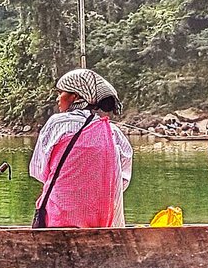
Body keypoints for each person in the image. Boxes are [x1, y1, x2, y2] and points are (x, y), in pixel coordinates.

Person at [28, 68, 133, 227]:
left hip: (59, 219)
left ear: (75, 97)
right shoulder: (113, 133)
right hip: (103, 220)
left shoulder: (57, 124)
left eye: (61, 93)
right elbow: (122, 180)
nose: (58, 98)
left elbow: (38, 171)